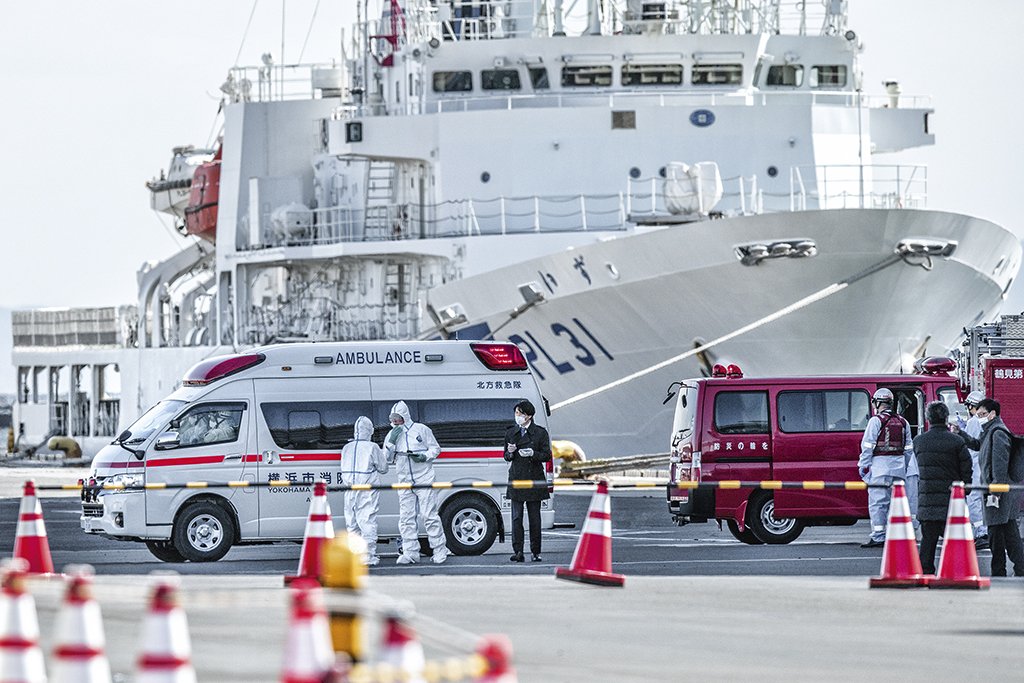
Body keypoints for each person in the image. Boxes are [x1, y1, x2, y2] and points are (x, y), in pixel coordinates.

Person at [382, 401, 448, 565]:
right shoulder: (391, 435)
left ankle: (439, 550)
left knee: (429, 515)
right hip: (404, 480)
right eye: (393, 419)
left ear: (405, 416)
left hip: (424, 477)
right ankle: (410, 553)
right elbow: (386, 459)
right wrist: (390, 443)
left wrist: (424, 457)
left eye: (398, 418)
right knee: (406, 518)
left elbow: (435, 449)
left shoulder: (421, 430)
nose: (396, 422)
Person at [913, 401, 973, 574]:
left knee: (928, 542)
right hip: (951, 502)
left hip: (928, 501)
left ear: (928, 419)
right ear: (946, 417)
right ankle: (955, 572)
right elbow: (967, 469)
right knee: (954, 541)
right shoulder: (957, 441)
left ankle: (925, 572)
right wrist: (965, 491)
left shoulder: (919, 441)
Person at [974, 398, 1024, 577]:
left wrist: (995, 493)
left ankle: (999, 571)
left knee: (996, 534)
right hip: (999, 492)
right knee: (1009, 533)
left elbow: (1000, 465)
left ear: (992, 414)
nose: (979, 418)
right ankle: (1020, 568)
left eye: (982, 414)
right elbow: (978, 445)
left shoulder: (998, 433)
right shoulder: (989, 431)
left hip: (998, 493)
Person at [858, 388, 914, 548]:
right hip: (899, 467)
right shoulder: (904, 422)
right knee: (895, 503)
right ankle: (895, 534)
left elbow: (867, 446)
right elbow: (909, 449)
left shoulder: (875, 421)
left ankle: (878, 535)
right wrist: (904, 465)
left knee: (877, 503)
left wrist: (863, 466)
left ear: (877, 403)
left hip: (880, 467)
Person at [503, 400, 552, 562]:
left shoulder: (540, 433)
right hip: (516, 478)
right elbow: (506, 456)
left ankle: (536, 551)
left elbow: (547, 455)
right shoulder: (511, 432)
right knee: (516, 518)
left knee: (534, 519)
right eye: (516, 413)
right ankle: (518, 551)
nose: (518, 416)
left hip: (534, 479)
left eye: (521, 414)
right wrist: (510, 452)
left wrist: (533, 453)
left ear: (529, 416)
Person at [340, 416, 389, 566]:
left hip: (349, 489)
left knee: (352, 523)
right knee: (367, 521)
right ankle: (368, 555)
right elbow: (383, 468)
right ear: (369, 431)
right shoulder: (372, 447)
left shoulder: (346, 447)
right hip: (367, 489)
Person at [951, 390, 990, 549]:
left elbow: (970, 443)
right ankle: (982, 530)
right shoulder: (985, 420)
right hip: (983, 464)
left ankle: (981, 532)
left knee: (974, 499)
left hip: (975, 463)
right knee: (981, 499)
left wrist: (961, 431)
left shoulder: (974, 421)